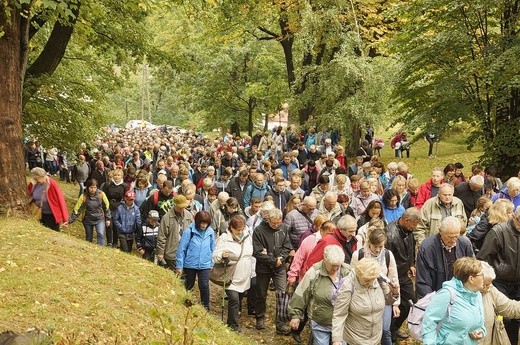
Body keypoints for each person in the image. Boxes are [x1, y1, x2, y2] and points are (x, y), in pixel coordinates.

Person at [289, 245, 351, 345]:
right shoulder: (314, 273)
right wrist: (295, 315)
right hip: (319, 321)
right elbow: (301, 294)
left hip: (341, 323)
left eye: (338, 265)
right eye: (332, 265)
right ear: (324, 259)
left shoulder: (348, 272)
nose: (335, 268)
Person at [476, 206, 520, 344]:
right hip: (501, 282)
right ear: (513, 216)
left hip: (518, 282)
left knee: (517, 316)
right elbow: (483, 259)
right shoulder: (498, 231)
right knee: (503, 319)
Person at [331, 258, 400, 345]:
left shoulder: (378, 280)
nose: (370, 282)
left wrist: (394, 293)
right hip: (355, 339)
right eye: (367, 280)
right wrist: (336, 340)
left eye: (372, 279)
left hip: (375, 338)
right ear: (359, 275)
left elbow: (388, 301)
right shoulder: (348, 285)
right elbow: (339, 314)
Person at [350, 228, 400, 345]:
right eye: (375, 246)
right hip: (363, 296)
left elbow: (394, 278)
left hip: (384, 296)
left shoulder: (388, 254)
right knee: (366, 330)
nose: (377, 249)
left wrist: (395, 303)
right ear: (369, 243)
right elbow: (351, 278)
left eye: (380, 246)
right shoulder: (359, 255)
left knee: (385, 330)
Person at [422, 257, 486, 345]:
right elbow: (429, 322)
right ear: (471, 279)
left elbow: (479, 323)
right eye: (481, 275)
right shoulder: (447, 294)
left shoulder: (477, 294)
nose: (484, 277)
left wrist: (481, 331)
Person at [252, 208, 293, 334]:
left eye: (278, 222)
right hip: (264, 267)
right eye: (273, 223)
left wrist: (281, 258)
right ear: (267, 219)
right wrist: (272, 260)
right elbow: (257, 252)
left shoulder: (284, 228)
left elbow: (287, 246)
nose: (275, 225)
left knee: (282, 294)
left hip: (279, 267)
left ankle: (281, 323)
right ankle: (259, 317)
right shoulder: (259, 230)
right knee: (261, 293)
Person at [212, 215, 253, 332]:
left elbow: (251, 253)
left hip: (245, 275)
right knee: (234, 299)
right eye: (238, 230)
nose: (240, 232)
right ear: (231, 228)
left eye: (242, 229)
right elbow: (215, 256)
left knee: (239, 299)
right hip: (231, 275)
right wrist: (221, 255)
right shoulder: (224, 238)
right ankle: (233, 326)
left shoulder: (247, 235)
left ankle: (235, 319)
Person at [416, 216, 474, 298]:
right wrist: (431, 303)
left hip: (461, 295)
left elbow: (473, 270)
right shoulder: (427, 247)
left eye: (456, 236)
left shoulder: (465, 243)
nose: (453, 240)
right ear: (440, 232)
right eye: (450, 237)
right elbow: (423, 282)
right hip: (436, 295)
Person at [385, 207, 421, 342]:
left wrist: (411, 264)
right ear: (406, 220)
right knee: (394, 304)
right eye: (414, 224)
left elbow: (411, 247)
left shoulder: (408, 230)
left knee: (411, 302)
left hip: (404, 274)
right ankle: (390, 330)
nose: (415, 227)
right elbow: (387, 258)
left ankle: (394, 327)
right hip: (393, 276)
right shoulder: (390, 234)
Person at [176, 210, 215, 310]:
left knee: (204, 285)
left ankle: (205, 308)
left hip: (205, 264)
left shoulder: (210, 232)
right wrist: (179, 266)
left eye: (206, 223)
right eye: (201, 223)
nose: (203, 225)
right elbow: (181, 249)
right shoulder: (189, 231)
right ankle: (185, 304)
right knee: (189, 285)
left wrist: (212, 262)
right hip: (190, 264)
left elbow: (212, 248)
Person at [480, 261, 520, 345]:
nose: (486, 288)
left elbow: (510, 307)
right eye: (484, 284)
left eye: (488, 285)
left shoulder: (490, 290)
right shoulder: (454, 296)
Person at [69, 178, 111, 245]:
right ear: (88, 187)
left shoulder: (101, 194)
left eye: (95, 187)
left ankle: (101, 248)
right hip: (87, 219)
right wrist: (69, 220)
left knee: (100, 234)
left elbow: (107, 207)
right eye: (91, 187)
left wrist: (108, 218)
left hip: (99, 218)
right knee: (89, 237)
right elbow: (77, 210)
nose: (93, 189)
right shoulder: (83, 196)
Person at [156, 195, 193, 270]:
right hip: (171, 253)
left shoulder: (189, 216)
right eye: (180, 207)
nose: (182, 209)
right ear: (175, 205)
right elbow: (162, 236)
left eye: (183, 207)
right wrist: (160, 252)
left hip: (186, 253)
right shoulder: (166, 218)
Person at [27, 167, 68, 231]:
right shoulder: (34, 183)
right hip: (38, 212)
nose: (35, 180)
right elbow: (29, 193)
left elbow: (61, 201)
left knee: (53, 232)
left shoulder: (52, 184)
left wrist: (64, 218)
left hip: (51, 215)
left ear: (41, 176)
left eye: (36, 178)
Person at [102, 168, 126, 247]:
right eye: (115, 175)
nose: (116, 177)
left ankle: (115, 242)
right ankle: (109, 242)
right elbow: (103, 196)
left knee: (116, 225)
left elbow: (125, 197)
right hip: (109, 206)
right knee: (109, 225)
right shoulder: (108, 184)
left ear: (122, 176)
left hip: (119, 207)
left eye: (118, 175)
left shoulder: (124, 186)